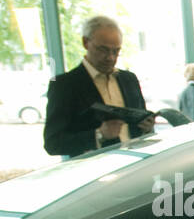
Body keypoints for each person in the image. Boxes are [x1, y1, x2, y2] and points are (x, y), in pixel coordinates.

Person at [43, 15, 153, 158]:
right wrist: (99, 135)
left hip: (136, 164)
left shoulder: (129, 79)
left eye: (116, 51)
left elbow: (139, 125)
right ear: (85, 42)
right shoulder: (65, 85)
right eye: (103, 50)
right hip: (96, 168)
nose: (110, 57)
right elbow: (52, 143)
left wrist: (147, 128)